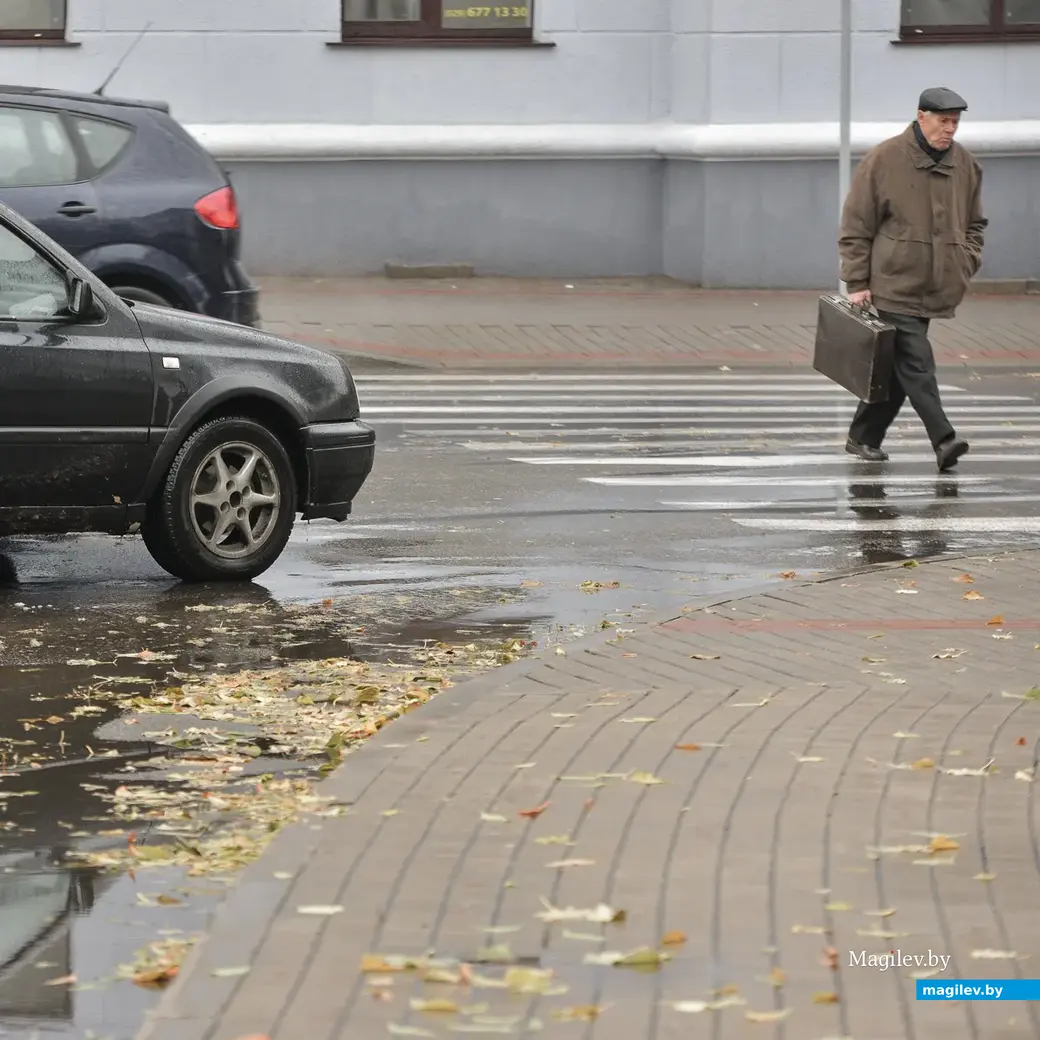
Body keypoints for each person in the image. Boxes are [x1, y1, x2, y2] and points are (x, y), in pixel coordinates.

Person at [838, 86, 987, 472]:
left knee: (896, 368)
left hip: (936, 285)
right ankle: (944, 439)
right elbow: (856, 225)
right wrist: (856, 282)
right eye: (943, 121)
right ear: (921, 116)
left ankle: (863, 436)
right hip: (892, 285)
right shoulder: (884, 159)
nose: (950, 129)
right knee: (916, 362)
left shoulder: (966, 165)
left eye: (955, 122)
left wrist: (965, 261)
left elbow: (975, 223)